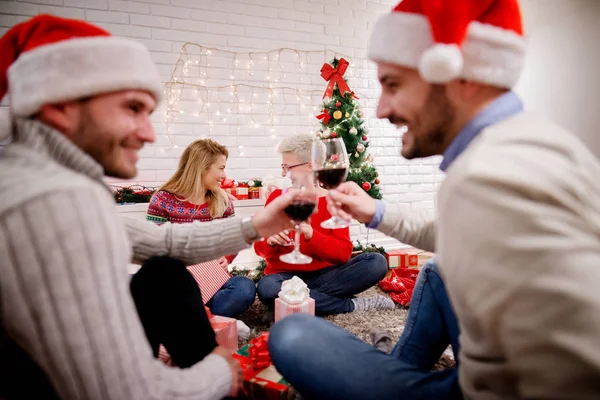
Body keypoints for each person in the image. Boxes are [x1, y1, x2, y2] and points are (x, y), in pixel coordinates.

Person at [267, 0, 600, 399]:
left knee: (291, 333)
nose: (381, 108)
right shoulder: (523, 143)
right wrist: (375, 212)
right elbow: (459, 234)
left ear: (460, 80)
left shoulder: (493, 173)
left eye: (393, 85)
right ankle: (400, 366)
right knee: (438, 271)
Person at [0, 15, 297, 400]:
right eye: (132, 108)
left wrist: (257, 224)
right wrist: (219, 373)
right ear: (61, 106)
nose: (149, 132)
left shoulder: (48, 183)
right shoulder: (52, 204)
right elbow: (125, 392)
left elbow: (164, 242)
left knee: (165, 276)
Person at [254, 134, 392, 319]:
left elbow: (343, 253)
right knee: (268, 288)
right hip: (283, 277)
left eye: (288, 167)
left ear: (310, 165)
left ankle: (292, 302)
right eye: (282, 167)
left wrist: (313, 236)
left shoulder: (332, 201)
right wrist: (269, 241)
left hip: (326, 276)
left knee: (376, 263)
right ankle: (348, 305)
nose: (283, 174)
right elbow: (259, 249)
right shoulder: (277, 197)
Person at [146, 139, 256, 318]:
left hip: (212, 282)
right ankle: (201, 316)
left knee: (244, 287)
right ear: (202, 167)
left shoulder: (223, 201)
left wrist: (226, 257)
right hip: (176, 281)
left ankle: (189, 316)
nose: (224, 175)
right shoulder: (163, 200)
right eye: (220, 168)